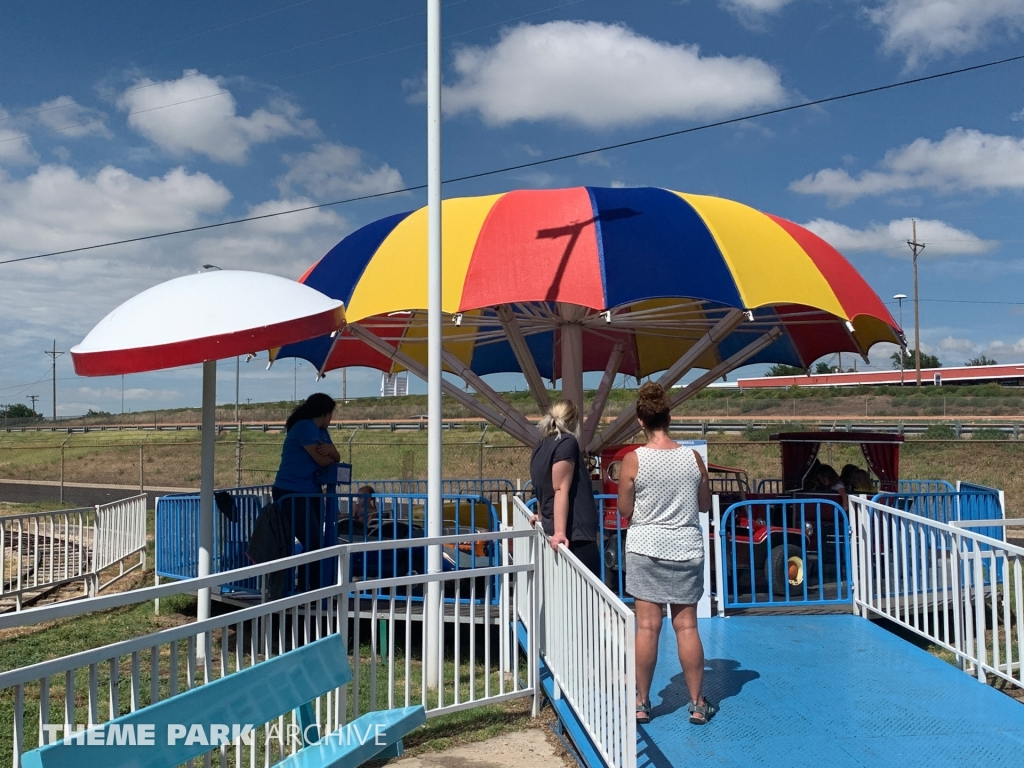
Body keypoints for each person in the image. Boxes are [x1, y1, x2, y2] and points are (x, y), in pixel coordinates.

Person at [617, 382, 716, 726]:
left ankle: (642, 702)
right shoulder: (693, 458)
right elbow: (704, 505)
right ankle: (697, 702)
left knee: (647, 627)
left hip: (646, 549)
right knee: (686, 626)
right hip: (686, 549)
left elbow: (625, 510)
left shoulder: (633, 460)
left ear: (640, 421)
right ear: (668, 418)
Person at [272, 393, 340, 590]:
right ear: (326, 413)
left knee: (315, 540)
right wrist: (330, 455)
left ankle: (311, 585)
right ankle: (307, 587)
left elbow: (336, 455)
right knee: (312, 541)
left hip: (311, 491)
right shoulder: (305, 427)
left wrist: (330, 451)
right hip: (293, 490)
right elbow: (324, 461)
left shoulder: (321, 431)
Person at [528, 400, 601, 575]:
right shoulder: (567, 442)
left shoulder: (541, 445)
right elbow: (560, 488)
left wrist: (544, 517)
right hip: (576, 533)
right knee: (589, 595)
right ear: (574, 420)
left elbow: (541, 485)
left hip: (558, 528)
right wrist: (560, 532)